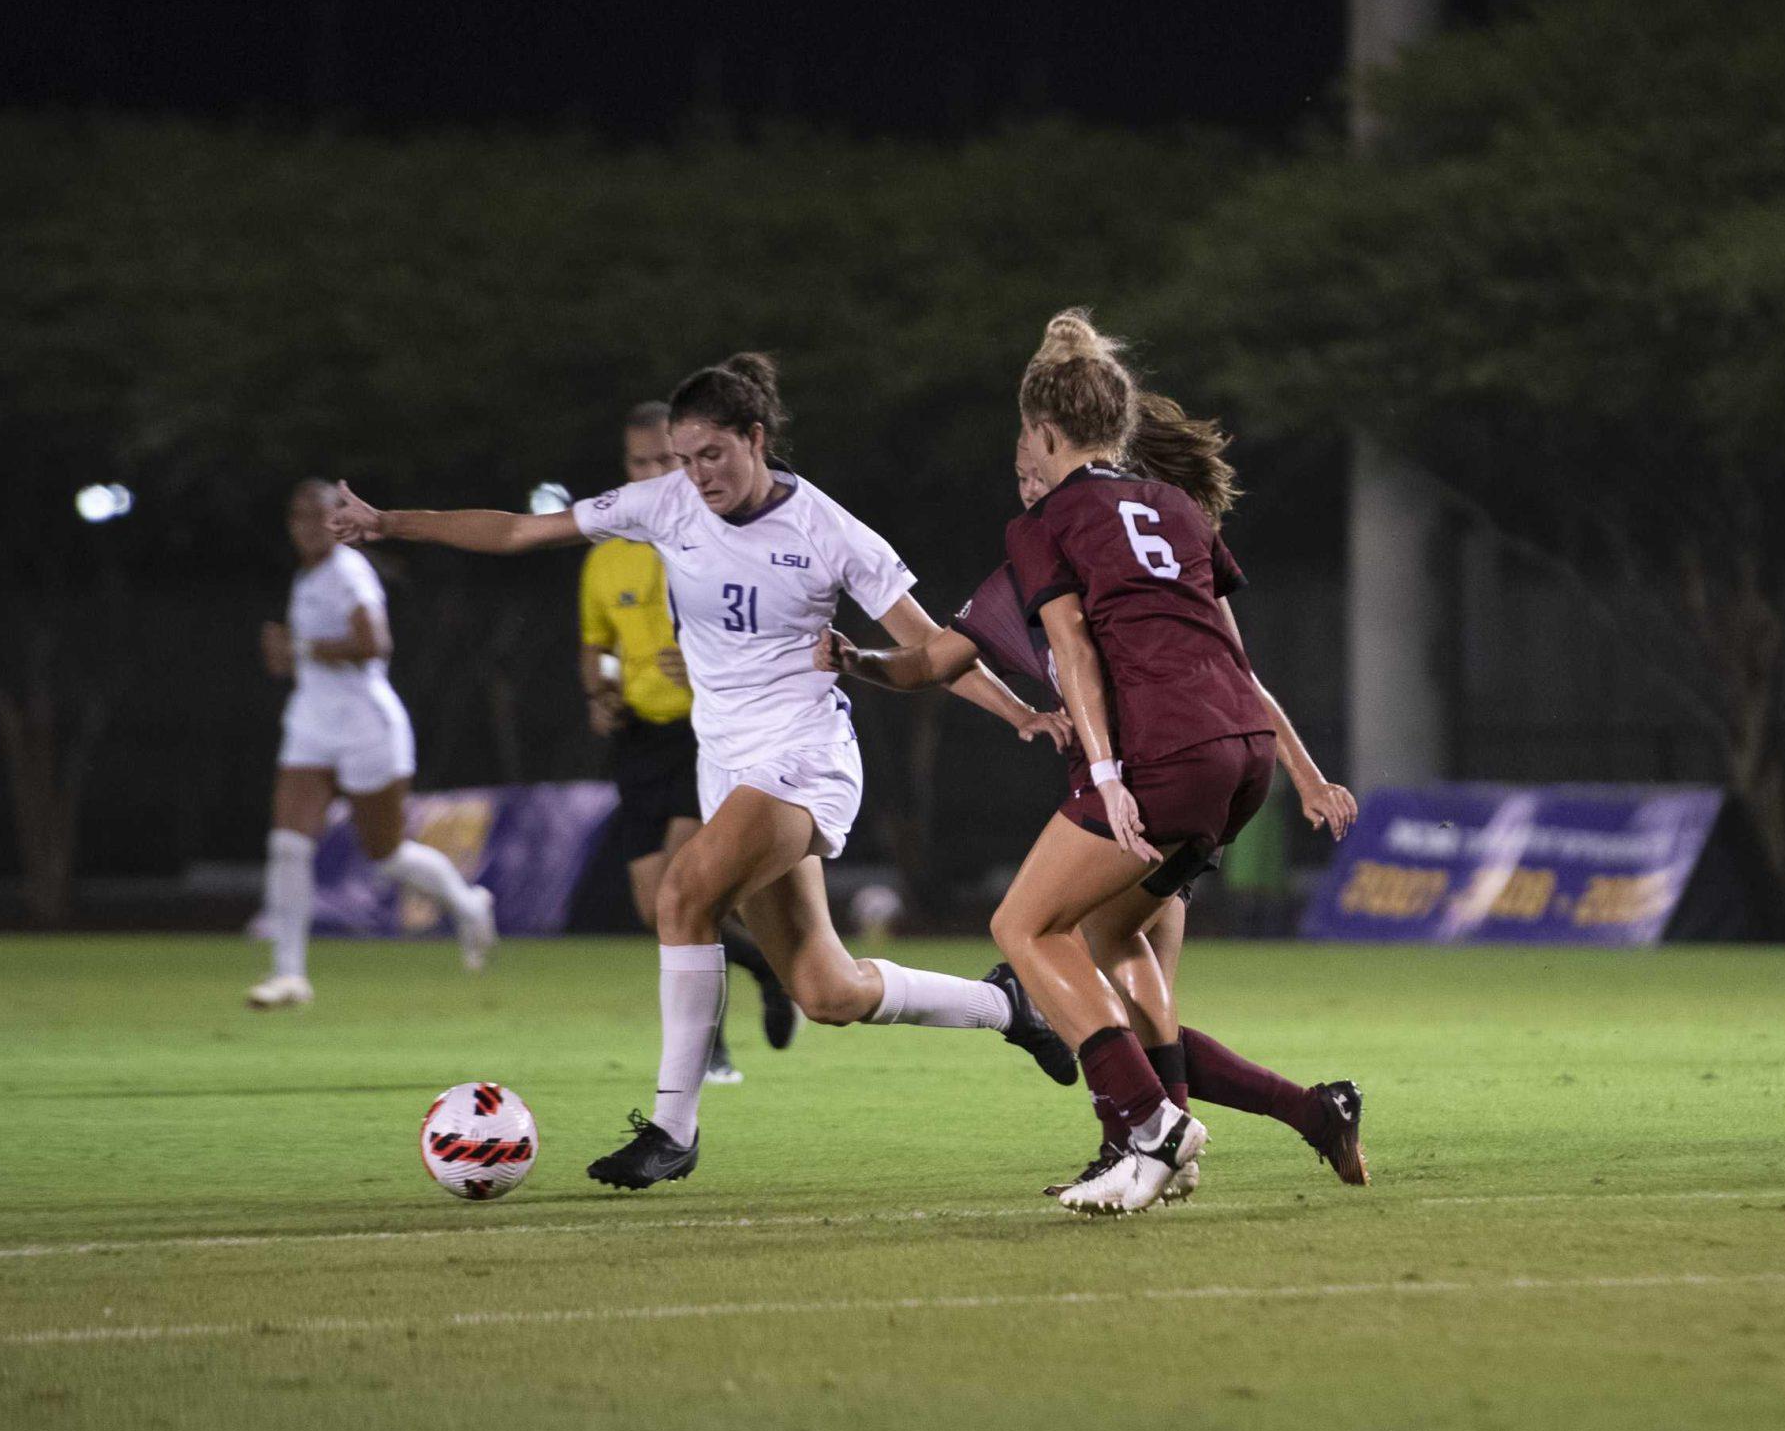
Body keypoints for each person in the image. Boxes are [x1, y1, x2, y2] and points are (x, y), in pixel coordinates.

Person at [327, 353, 1077, 1191]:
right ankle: (1010, 1006)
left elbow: (931, 643)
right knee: (826, 991)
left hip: (804, 758)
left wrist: (1021, 712)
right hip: (724, 765)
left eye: (712, 454)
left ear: (756, 438)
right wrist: (389, 522)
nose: (696, 475)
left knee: (682, 896)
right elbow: (516, 530)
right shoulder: (667, 505)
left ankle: (673, 1128)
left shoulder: (829, 531)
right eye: (683, 458)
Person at [822, 409, 1367, 1202]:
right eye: (1018, 474)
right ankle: (1287, 1117)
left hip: (1144, 779)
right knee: (1121, 974)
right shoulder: (1050, 570)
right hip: (1177, 777)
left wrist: (1308, 776)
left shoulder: (1097, 561)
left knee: (1053, 948)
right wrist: (861, 659)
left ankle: (1156, 1135)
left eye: (1030, 466)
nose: (1027, 483)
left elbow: (1218, 668)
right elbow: (934, 659)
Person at [974, 310, 1320, 1215]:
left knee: (1023, 927)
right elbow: (1234, 655)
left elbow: (1076, 651)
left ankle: (1151, 1123)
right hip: (1244, 754)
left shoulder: (1044, 520)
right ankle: (1158, 1141)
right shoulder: (1176, 506)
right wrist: (1305, 768)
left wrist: (1111, 773)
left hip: (1167, 753)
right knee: (1111, 935)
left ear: (1045, 433)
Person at [580, 400, 797, 1081]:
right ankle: (765, 965)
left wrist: (702, 666)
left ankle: (710, 1047)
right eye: (636, 463)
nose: (648, 475)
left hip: (704, 738)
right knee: (656, 907)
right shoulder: (605, 559)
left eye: (660, 462)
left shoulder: (710, 540)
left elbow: (769, 626)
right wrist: (601, 692)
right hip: (640, 740)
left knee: (685, 894)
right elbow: (598, 647)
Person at [249, 480, 496, 1008]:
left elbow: (374, 644)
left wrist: (298, 646)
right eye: (296, 515)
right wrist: (282, 655)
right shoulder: (306, 578)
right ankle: (289, 974)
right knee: (288, 845)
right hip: (312, 721)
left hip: (365, 724)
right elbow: (296, 660)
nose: (305, 525)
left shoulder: (348, 570)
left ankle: (466, 902)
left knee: (383, 854)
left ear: (337, 520)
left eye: (316, 515)